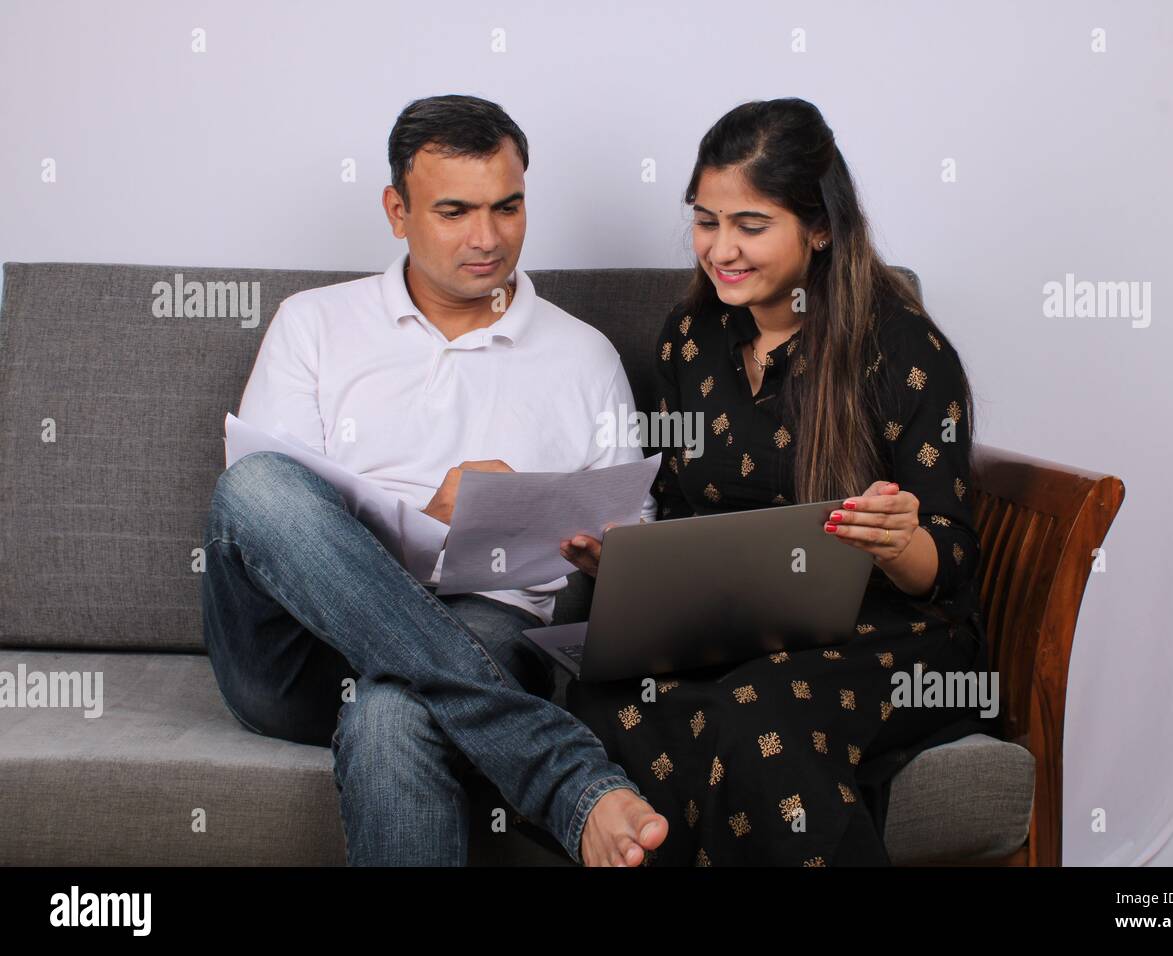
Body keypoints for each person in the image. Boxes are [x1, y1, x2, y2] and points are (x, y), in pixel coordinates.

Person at [200, 94, 669, 867]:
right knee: (253, 487)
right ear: (397, 210)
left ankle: (514, 739)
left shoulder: (584, 357)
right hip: (299, 656)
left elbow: (636, 542)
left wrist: (600, 553)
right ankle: (561, 770)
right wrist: (424, 516)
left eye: (508, 207)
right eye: (454, 210)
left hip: (486, 625)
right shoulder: (312, 324)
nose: (487, 239)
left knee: (391, 716)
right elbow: (272, 531)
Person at [560, 98, 995, 866]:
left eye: (750, 225)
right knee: (608, 693)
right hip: (729, 627)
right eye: (705, 220)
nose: (720, 249)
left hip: (890, 634)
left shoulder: (905, 350)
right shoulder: (689, 340)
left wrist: (901, 544)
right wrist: (630, 561)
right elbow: (679, 506)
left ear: (819, 227)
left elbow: (950, 569)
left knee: (757, 709)